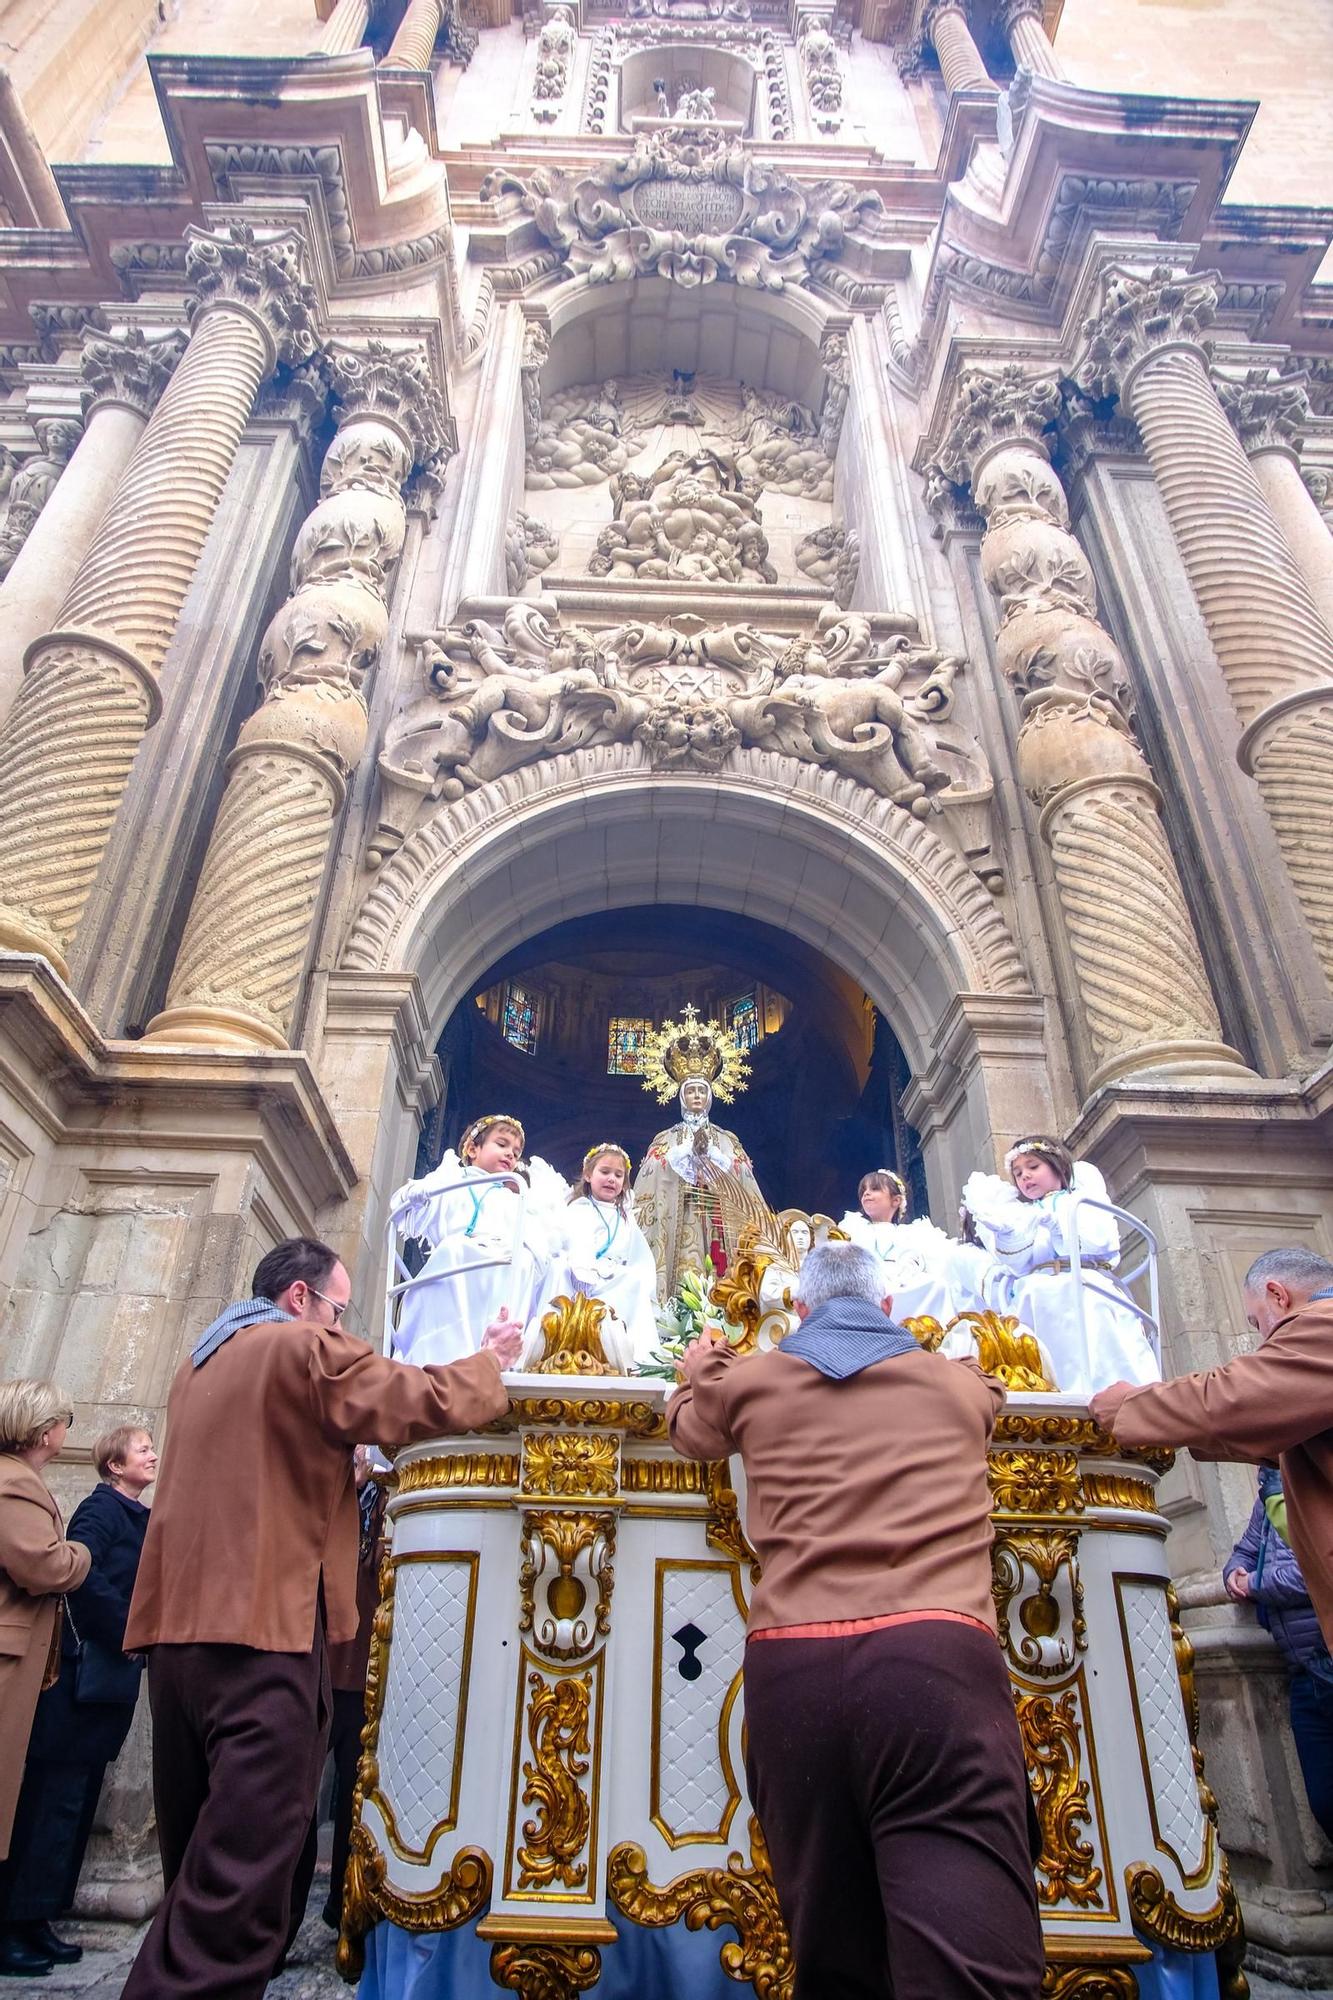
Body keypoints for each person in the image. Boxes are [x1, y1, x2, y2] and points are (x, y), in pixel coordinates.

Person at [119, 1235, 521, 2000]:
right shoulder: (299, 1345)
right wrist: (489, 1362)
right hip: (260, 1635)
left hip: (176, 1640)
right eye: (339, 1309)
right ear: (301, 1298)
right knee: (241, 1882)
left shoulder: (200, 1361)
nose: (342, 1325)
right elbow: (411, 1400)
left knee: (199, 1862)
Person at [666, 1241, 1044, 2000]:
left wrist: (693, 1374)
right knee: (968, 1953)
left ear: (797, 1311)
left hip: (793, 1672)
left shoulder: (754, 1381)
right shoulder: (955, 1387)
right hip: (934, 1667)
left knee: (833, 1954)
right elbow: (992, 1392)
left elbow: (695, 1431)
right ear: (888, 1309)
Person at [1094, 1246, 1333, 1643]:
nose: (1262, 1337)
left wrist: (1128, 1405)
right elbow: (1277, 1439)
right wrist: (1184, 1433)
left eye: (1257, 1321)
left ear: (1278, 1295)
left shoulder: (1321, 1325)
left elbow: (1231, 1398)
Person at [0, 1425, 157, 1974]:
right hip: (83, 1675)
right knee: (55, 1800)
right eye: (143, 1449)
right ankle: (16, 1921)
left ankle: (39, 1917)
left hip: (107, 1677)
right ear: (115, 1465)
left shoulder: (136, 1513)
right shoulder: (100, 1512)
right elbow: (83, 1579)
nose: (153, 1455)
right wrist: (128, 1630)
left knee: (77, 1795)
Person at [0, 1380, 90, 1979]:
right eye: (61, 1422)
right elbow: (43, 1565)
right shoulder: (14, 1484)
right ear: (41, 1430)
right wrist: (79, 1554)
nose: (65, 1432)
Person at [961, 1135, 1160, 1398]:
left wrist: (1058, 1228)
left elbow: (1100, 1244)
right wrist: (1007, 1235)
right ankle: (1054, 1390)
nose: (1025, 1177)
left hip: (1083, 1282)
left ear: (1057, 1166)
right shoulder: (1026, 1214)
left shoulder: (1081, 1201)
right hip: (1037, 1290)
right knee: (1028, 1301)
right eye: (1018, 1173)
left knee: (1080, 1304)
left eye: (1033, 1167)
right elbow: (1020, 1264)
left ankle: (1101, 1390)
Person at [390, 1113, 562, 1366]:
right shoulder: (451, 1181)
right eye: (502, 1145)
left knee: (524, 1261)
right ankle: (452, 1349)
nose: (510, 1155)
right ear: (472, 1148)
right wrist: (419, 1194)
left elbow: (542, 1239)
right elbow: (403, 1204)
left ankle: (501, 1349)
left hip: (502, 1261)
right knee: (453, 1250)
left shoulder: (515, 1197)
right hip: (460, 1258)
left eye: (515, 1152)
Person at [1224, 1464, 1333, 1842]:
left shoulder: (1317, 1484)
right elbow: (1243, 1553)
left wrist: (1253, 1582)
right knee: (1324, 1800)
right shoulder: (1270, 1495)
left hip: (1327, 1657)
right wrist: (1234, 1575)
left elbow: (1315, 1571)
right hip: (1302, 1672)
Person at [322, 1447, 387, 1931]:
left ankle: (342, 1905)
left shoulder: (385, 1500)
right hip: (323, 1662)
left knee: (354, 1793)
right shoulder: (343, 1495)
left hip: (364, 1669)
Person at [633, 1077, 768, 1298]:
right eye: (691, 1091)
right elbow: (653, 1172)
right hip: (679, 1218)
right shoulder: (666, 1140)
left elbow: (742, 1173)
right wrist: (679, 1162)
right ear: (681, 1097)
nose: (696, 1096)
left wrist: (716, 1164)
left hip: (716, 1222)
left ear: (710, 1097)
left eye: (701, 1091)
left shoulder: (726, 1141)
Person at [541, 1144, 660, 1367]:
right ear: (588, 1174)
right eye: (604, 1172)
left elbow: (639, 1257)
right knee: (560, 1271)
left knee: (633, 1281)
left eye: (618, 1175)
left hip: (613, 1275)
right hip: (579, 1273)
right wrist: (580, 1267)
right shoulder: (577, 1208)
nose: (611, 1179)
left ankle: (632, 1357)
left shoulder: (625, 1218)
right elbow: (565, 1242)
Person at [838, 1168, 961, 1328]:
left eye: (874, 1189)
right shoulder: (853, 1228)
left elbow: (921, 1258)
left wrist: (908, 1268)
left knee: (937, 1285)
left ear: (895, 1200)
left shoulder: (910, 1233)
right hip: (866, 1282)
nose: (866, 1194)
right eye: (864, 1191)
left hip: (902, 1280)